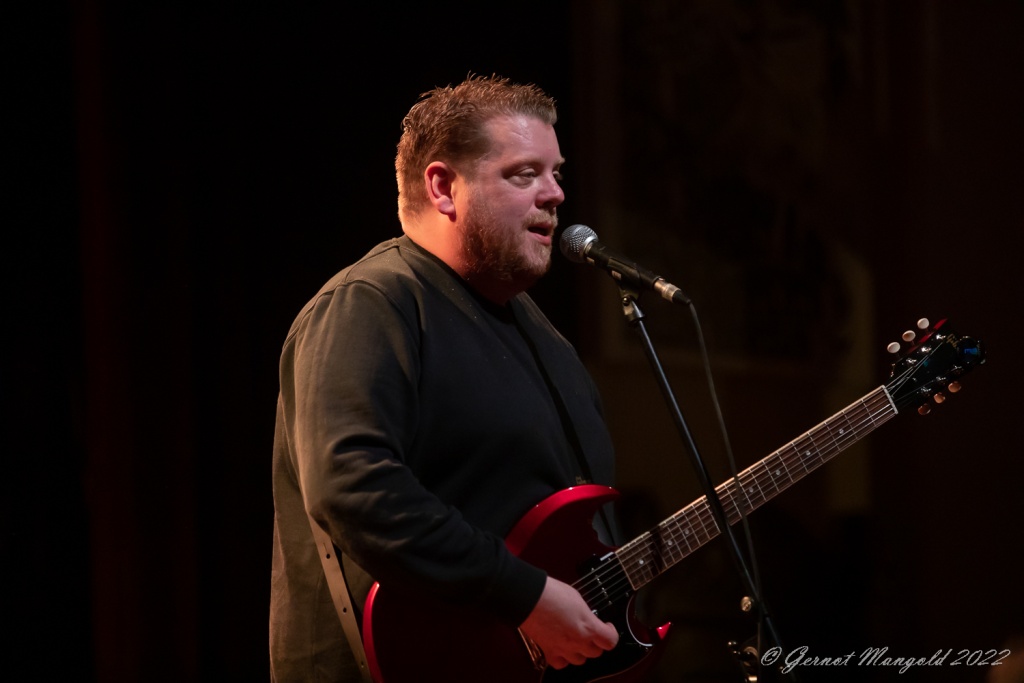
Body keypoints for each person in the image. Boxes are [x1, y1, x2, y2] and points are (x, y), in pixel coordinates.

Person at [269, 74, 620, 681]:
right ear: (442, 187)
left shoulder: (547, 341)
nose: (555, 193)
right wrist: (525, 595)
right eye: (524, 174)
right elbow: (352, 485)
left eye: (556, 173)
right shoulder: (370, 302)